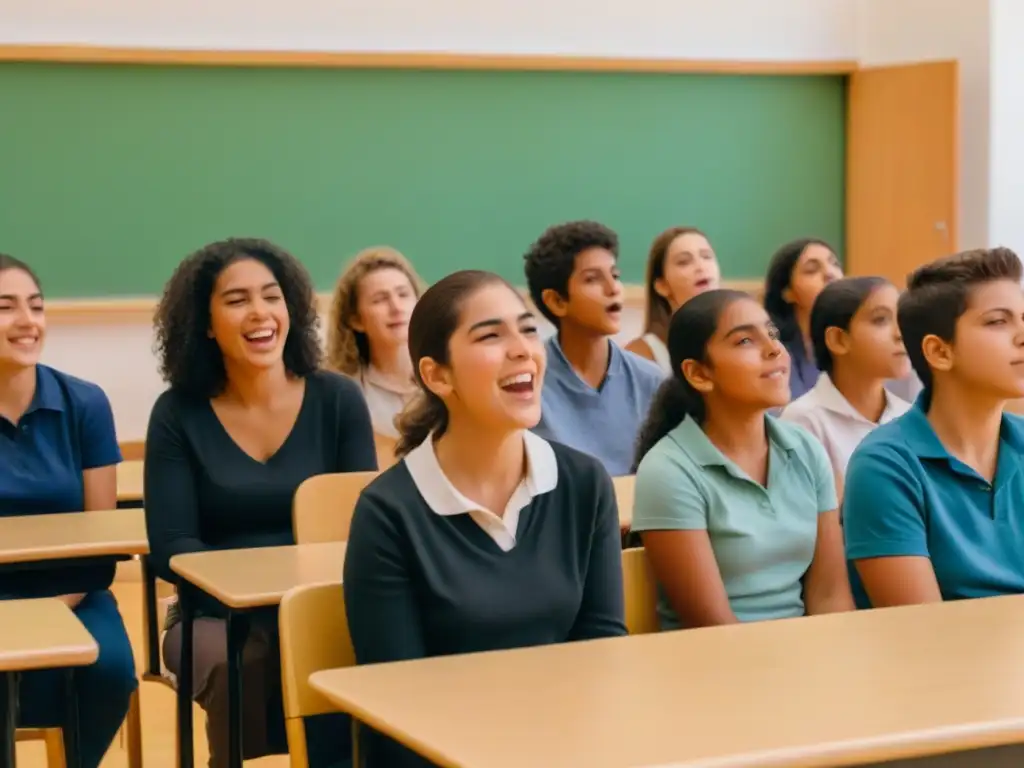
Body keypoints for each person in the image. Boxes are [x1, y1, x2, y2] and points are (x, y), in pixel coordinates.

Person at [344, 269, 627, 768]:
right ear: (437, 376)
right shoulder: (387, 512)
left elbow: (601, 655)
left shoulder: (584, 483)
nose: (522, 349)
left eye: (527, 329)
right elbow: (398, 706)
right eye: (491, 335)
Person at [144, 238, 377, 768]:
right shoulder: (177, 414)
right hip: (212, 613)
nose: (260, 313)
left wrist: (298, 598)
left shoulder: (337, 399)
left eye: (272, 296)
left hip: (322, 602)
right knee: (241, 664)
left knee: (374, 652)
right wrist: (251, 596)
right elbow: (173, 548)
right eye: (236, 300)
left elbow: (358, 526)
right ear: (205, 324)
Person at [630, 289, 853, 630]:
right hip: (720, 666)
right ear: (699, 374)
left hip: (805, 658)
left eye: (773, 334)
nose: (774, 349)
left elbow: (830, 596)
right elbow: (712, 625)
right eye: (746, 340)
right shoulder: (668, 470)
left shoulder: (806, 448)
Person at [0, 254, 137, 768]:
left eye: (35, 306)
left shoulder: (84, 403)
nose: (27, 321)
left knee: (110, 670)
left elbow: (98, 542)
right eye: (5, 307)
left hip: (73, 592)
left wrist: (51, 607)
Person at [844, 248, 1024, 607]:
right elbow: (923, 629)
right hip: (943, 658)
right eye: (997, 322)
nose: (1021, 335)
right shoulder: (884, 465)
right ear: (940, 352)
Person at [523, 220, 663, 476]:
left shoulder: (651, 380)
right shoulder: (526, 380)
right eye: (592, 279)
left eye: (615, 275)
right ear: (556, 301)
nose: (613, 289)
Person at [780, 277, 912, 502]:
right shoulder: (803, 422)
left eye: (901, 319)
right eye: (880, 320)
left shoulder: (910, 416)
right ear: (839, 339)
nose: (900, 334)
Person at [325, 246, 423, 444]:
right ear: (356, 320)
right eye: (380, 300)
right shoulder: (344, 395)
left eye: (403, 295)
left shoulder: (451, 377)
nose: (396, 308)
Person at [626, 226, 720, 373]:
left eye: (707, 256)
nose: (701, 266)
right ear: (662, 285)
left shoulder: (743, 336)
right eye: (684, 262)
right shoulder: (639, 357)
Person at [763, 238, 844, 400]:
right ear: (787, 293)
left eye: (834, 264)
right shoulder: (773, 352)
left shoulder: (859, 340)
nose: (829, 273)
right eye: (812, 270)